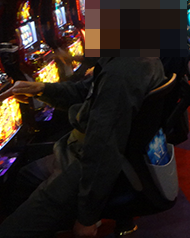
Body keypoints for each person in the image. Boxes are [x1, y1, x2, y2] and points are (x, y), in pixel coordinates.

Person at [0, 57, 167, 238]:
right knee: (24, 177)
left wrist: (88, 216)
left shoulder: (121, 73)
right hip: (81, 150)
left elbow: (103, 148)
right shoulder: (129, 55)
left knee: (10, 232)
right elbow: (83, 91)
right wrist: (42, 89)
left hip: (86, 165)